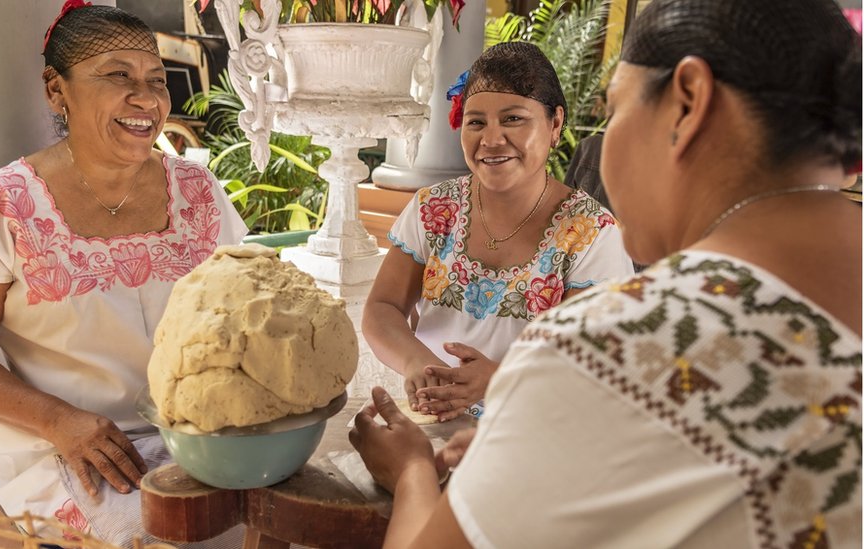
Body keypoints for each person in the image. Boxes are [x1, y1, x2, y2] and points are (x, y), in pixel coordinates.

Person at [350, 0, 862, 547]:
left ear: (688, 103)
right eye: (476, 121)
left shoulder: (603, 347)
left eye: (615, 109)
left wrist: (412, 472)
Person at [0, 2, 247, 544]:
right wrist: (59, 421)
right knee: (156, 535)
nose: (146, 98)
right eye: (118, 76)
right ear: (57, 90)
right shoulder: (4, 204)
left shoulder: (198, 192)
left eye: (156, 79)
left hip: (198, 432)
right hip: (59, 447)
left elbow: (242, 307)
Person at [362, 42, 633, 421]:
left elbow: (592, 367)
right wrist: (419, 365)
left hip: (533, 439)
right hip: (433, 424)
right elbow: (383, 308)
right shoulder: (435, 209)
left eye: (513, 119)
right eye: (476, 122)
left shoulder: (591, 235)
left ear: (555, 124)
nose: (490, 140)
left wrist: (500, 379)